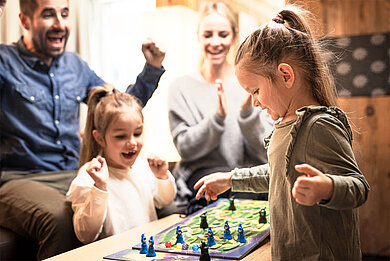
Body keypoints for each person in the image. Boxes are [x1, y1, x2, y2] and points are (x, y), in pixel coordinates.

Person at [194, 5, 370, 260]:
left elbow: (359, 186)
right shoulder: (284, 125)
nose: (254, 102)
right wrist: (231, 179)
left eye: (255, 90)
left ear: (285, 75)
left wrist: (327, 187)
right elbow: (280, 174)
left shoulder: (318, 125)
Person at [0, 0, 165, 259]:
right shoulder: (4, 61)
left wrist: (152, 68)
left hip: (73, 172)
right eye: (48, 15)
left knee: (146, 202)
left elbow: (117, 110)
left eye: (65, 14)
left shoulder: (75, 66)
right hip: (21, 177)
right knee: (61, 219)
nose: (60, 24)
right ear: (25, 21)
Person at [167, 1, 273, 209]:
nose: (215, 42)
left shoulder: (249, 83)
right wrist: (217, 119)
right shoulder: (181, 87)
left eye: (223, 35)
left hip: (244, 181)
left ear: (234, 36)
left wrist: (247, 116)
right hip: (200, 181)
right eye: (208, 35)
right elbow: (185, 149)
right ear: (198, 36)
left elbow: (266, 150)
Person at [66, 86, 176, 244]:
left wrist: (162, 176)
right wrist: (99, 188)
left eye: (137, 133)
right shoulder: (89, 176)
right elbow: (85, 234)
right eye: (121, 136)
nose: (132, 143)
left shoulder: (142, 167)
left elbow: (165, 200)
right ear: (100, 139)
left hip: (148, 250)